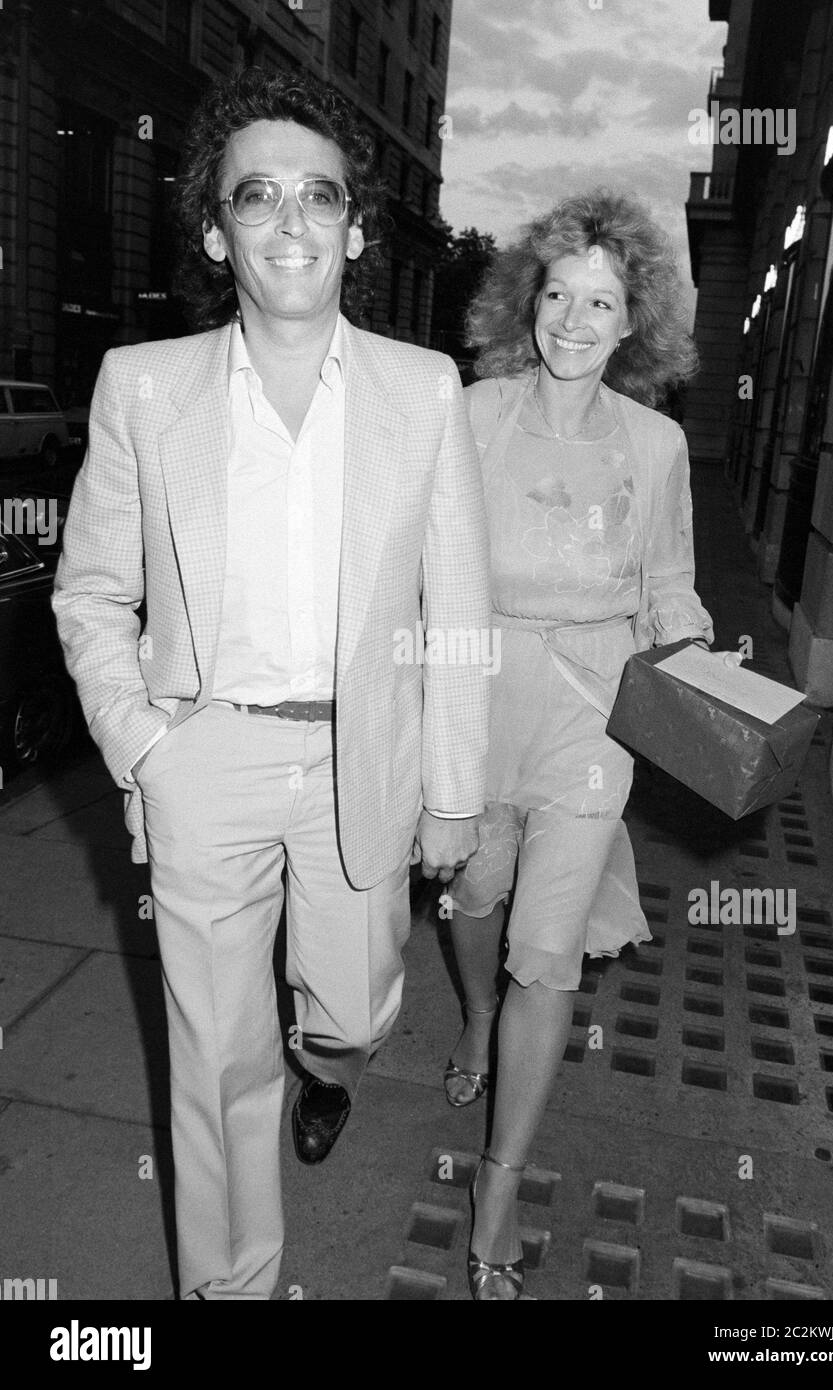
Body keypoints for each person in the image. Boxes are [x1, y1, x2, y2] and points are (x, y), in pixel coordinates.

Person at [52, 67, 490, 1300]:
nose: (291, 222)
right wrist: (143, 745)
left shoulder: (421, 389)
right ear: (214, 229)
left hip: (365, 760)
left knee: (351, 1012)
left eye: (319, 197)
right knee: (215, 1056)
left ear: (355, 229)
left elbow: (453, 608)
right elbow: (90, 590)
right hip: (208, 755)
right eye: (258, 196)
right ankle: (230, 1286)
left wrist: (452, 789)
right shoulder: (145, 386)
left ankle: (328, 1063)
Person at [442, 190, 718, 1300]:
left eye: (599, 301)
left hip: (592, 715)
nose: (572, 318)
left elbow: (668, 587)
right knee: (472, 895)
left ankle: (496, 1190)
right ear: (529, 301)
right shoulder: (468, 413)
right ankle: (470, 1014)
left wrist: (699, 660)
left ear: (630, 323)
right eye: (557, 292)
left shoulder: (654, 447)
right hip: (471, 690)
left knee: (544, 952)